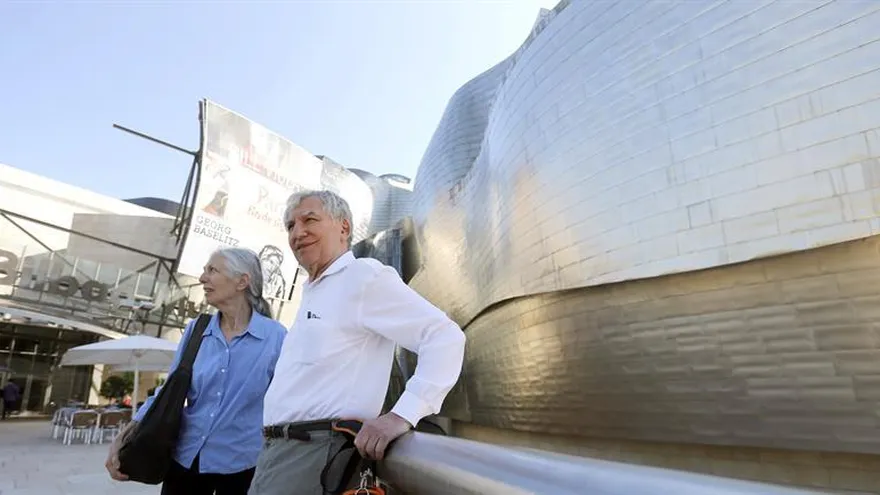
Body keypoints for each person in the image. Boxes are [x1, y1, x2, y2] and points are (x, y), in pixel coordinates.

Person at [248, 190, 467, 494]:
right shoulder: (314, 290)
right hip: (277, 453)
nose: (298, 233)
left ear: (344, 227)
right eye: (290, 226)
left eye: (310, 220)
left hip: (315, 456)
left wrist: (403, 414)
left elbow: (444, 336)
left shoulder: (362, 277)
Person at [105, 247, 287, 495]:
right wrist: (124, 436)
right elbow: (168, 390)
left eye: (212, 270)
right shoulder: (196, 330)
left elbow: (286, 403)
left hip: (243, 467)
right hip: (185, 462)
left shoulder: (276, 337)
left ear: (242, 282)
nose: (202, 278)